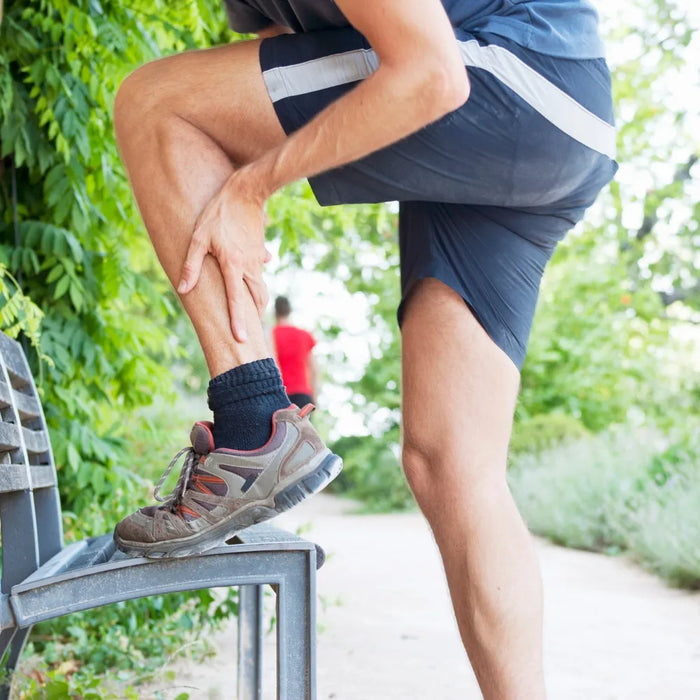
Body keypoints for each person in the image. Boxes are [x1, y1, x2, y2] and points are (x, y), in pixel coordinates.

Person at [111, 0, 617, 696]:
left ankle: (253, 426)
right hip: (548, 121)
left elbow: (432, 73)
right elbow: (281, 67)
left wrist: (251, 187)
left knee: (157, 101)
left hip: (509, 77)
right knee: (450, 465)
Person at [271, 295, 318, 407]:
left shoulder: (270, 336)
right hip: (303, 395)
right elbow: (314, 370)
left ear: (275, 313)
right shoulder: (304, 335)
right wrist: (314, 398)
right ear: (290, 311)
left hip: (279, 395)